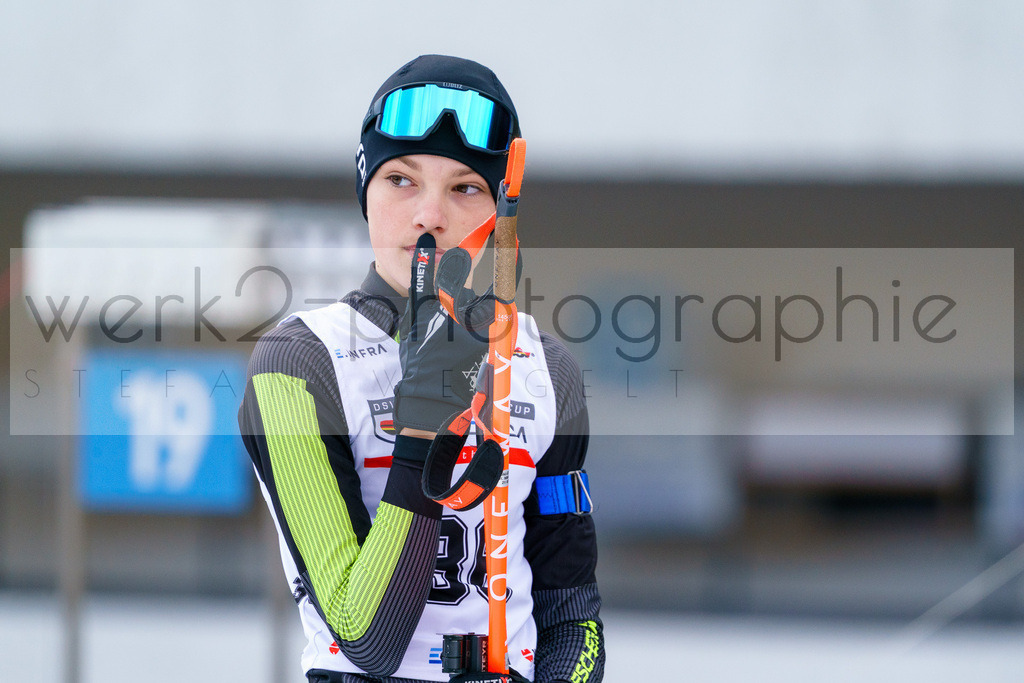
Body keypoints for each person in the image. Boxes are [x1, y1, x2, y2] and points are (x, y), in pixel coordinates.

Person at [238, 54, 604, 683]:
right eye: (401, 180)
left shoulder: (546, 368)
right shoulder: (298, 363)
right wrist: (423, 430)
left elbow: (572, 614)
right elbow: (364, 637)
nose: (430, 214)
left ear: (499, 213)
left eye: (465, 187)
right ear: (365, 193)